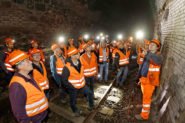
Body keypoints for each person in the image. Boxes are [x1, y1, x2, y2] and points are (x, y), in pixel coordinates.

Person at [9, 50, 48, 123]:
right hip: (35, 119)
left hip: (41, 115)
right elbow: (19, 111)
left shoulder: (29, 76)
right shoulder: (16, 86)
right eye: (27, 60)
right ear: (19, 65)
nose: (30, 62)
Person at [61, 47, 94, 116]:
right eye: (77, 54)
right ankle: (75, 110)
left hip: (82, 85)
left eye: (78, 53)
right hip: (73, 88)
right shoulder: (66, 67)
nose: (79, 54)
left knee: (90, 93)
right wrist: (71, 87)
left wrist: (84, 81)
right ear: (72, 56)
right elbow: (64, 81)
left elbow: (81, 73)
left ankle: (91, 105)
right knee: (73, 101)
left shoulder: (80, 62)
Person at [135, 39, 163, 120]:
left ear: (157, 48)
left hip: (150, 82)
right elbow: (142, 66)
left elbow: (157, 61)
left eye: (153, 45)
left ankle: (144, 116)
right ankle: (144, 112)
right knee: (145, 97)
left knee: (146, 99)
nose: (151, 45)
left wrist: (147, 54)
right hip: (144, 79)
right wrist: (138, 77)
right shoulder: (148, 54)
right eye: (150, 44)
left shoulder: (158, 56)